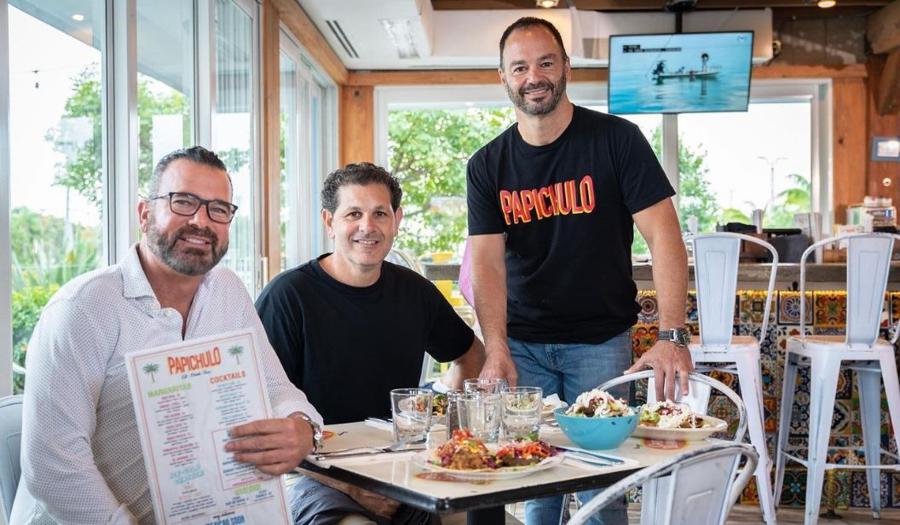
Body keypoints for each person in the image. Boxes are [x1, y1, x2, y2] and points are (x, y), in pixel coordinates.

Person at [13, 146, 323, 525]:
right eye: (183, 202)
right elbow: (53, 465)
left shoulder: (227, 290)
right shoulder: (83, 308)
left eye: (218, 209)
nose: (200, 221)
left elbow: (274, 388)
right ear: (145, 213)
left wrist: (302, 427)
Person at [465, 17, 691, 525]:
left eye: (545, 63)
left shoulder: (617, 140)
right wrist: (496, 347)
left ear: (566, 67)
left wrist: (672, 334)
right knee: (533, 479)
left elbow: (664, 237)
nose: (534, 77)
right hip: (524, 345)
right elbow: (486, 263)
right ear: (503, 77)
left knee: (602, 486)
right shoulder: (486, 165)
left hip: (600, 342)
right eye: (519, 67)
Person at [256, 162, 484, 524]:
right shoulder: (287, 297)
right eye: (353, 214)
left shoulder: (415, 292)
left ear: (396, 220)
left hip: (398, 464)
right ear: (329, 222)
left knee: (488, 519)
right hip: (311, 473)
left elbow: (470, 355)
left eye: (380, 213)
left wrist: (438, 418)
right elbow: (260, 418)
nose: (368, 226)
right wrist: (350, 486)